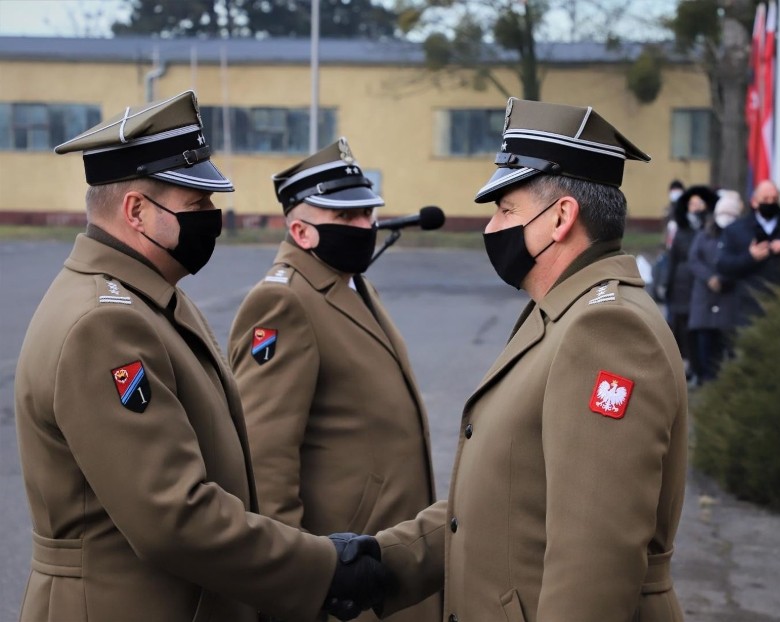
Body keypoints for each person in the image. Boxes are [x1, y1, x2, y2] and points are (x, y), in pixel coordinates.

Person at [14, 91, 386, 622]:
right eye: (197, 205)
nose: (213, 218)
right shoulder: (105, 323)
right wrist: (321, 567)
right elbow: (173, 515)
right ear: (137, 211)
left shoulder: (150, 295)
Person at [341, 98, 689, 621]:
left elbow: (594, 564)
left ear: (561, 218)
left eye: (507, 210)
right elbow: (507, 496)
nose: (491, 228)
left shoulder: (605, 329)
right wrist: (378, 563)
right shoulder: (558, 313)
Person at [227, 138, 441, 622]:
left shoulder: (349, 283)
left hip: (388, 565)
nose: (364, 227)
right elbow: (265, 459)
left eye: (367, 215)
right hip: (341, 578)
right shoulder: (284, 303)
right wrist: (295, 582)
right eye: (345, 218)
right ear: (301, 231)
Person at [717, 179, 780, 326]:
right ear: (754, 202)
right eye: (766, 199)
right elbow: (723, 265)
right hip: (748, 309)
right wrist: (750, 257)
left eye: (774, 199)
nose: (770, 203)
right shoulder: (735, 230)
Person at [687, 189, 744, 384]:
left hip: (728, 296)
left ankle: (723, 378)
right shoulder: (705, 235)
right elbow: (694, 259)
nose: (725, 218)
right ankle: (706, 375)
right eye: (723, 214)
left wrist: (724, 278)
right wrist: (709, 277)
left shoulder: (740, 237)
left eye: (730, 214)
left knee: (725, 339)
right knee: (704, 338)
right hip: (705, 296)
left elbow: (742, 262)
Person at [665, 184, 718, 380]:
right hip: (682, 287)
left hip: (703, 286)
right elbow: (673, 259)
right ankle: (689, 367)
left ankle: (703, 368)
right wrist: (667, 285)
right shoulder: (681, 230)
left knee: (700, 329)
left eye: (699, 203)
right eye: (692, 203)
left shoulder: (710, 229)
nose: (695, 207)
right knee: (683, 330)